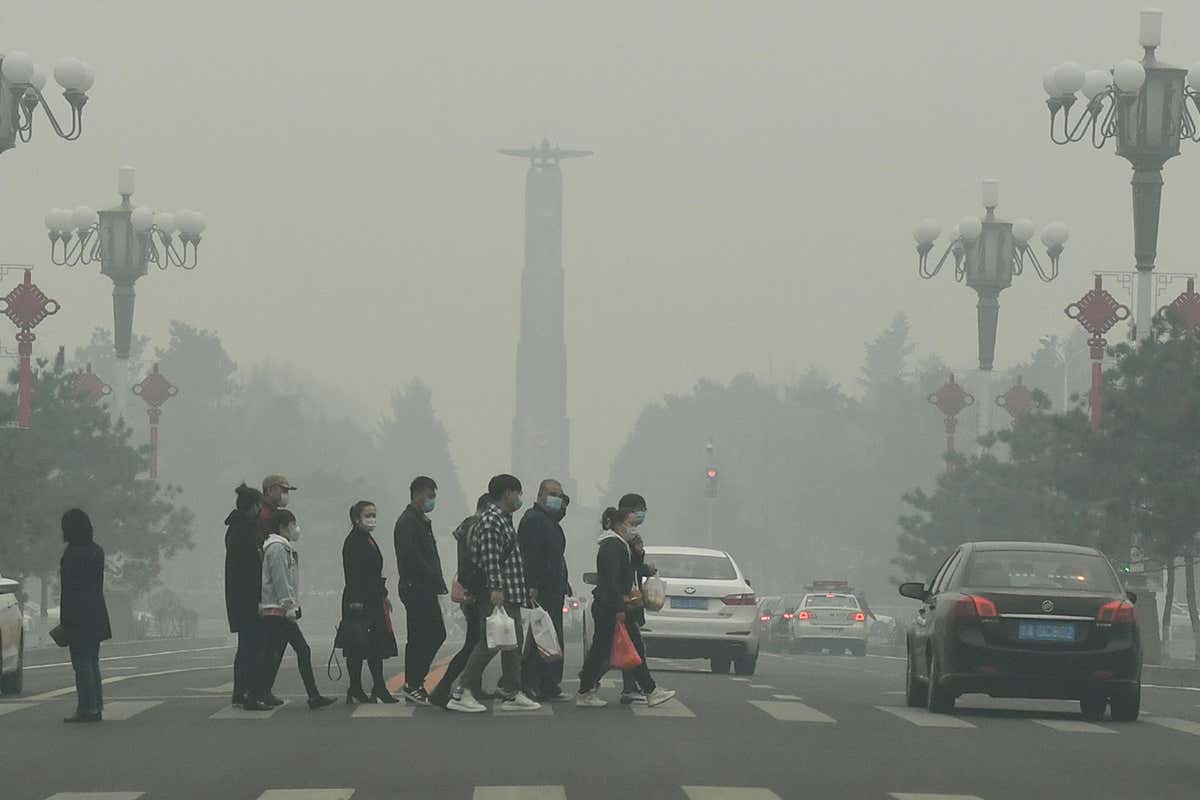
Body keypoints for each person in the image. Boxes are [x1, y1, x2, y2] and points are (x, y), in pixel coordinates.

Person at [448, 474, 541, 713]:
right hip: (499, 593)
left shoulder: (503, 519)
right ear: (507, 493)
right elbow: (490, 559)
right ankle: (462, 691)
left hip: (511, 592)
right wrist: (496, 589)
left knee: (512, 643)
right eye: (518, 493)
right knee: (490, 643)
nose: (520, 498)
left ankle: (512, 691)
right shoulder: (492, 520)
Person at [576, 506, 675, 708]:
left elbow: (628, 571)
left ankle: (650, 689)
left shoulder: (620, 544)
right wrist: (619, 607)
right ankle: (587, 690)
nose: (633, 529)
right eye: (630, 524)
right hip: (611, 606)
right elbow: (612, 580)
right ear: (619, 525)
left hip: (615, 605)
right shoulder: (612, 545)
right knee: (602, 651)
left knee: (625, 648)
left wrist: (638, 553)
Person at [245, 509, 335, 711]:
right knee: (297, 651)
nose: (296, 528)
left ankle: (261, 694)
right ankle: (309, 696)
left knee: (273, 653)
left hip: (279, 610)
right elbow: (280, 579)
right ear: (283, 527)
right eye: (293, 524)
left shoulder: (282, 548)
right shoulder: (277, 548)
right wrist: (288, 605)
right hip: (278, 611)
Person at [430, 493, 494, 709]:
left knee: (476, 642)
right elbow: (476, 562)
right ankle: (443, 687)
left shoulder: (466, 526)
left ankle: (473, 687)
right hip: (475, 592)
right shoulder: (477, 526)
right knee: (474, 644)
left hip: (468, 591)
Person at [393, 475, 448, 705]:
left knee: (432, 634)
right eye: (429, 496)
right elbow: (411, 557)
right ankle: (413, 684)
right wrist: (431, 576)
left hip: (425, 586)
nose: (432, 501)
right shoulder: (408, 521)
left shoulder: (420, 520)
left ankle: (415, 682)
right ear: (417, 494)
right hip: (416, 587)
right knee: (422, 636)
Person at [340, 501, 399, 704]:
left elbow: (375, 573)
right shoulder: (354, 541)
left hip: (373, 599)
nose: (372, 519)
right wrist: (356, 602)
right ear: (357, 519)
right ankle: (356, 688)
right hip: (359, 601)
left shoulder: (367, 539)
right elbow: (354, 574)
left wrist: (383, 595)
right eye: (368, 515)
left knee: (375, 645)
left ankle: (378, 687)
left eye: (374, 514)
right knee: (357, 644)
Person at [518, 478, 571, 701]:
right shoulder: (533, 520)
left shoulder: (549, 521)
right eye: (553, 494)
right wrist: (532, 585)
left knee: (551, 637)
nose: (557, 498)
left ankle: (549, 684)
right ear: (540, 495)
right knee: (539, 638)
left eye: (560, 495)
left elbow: (555, 557)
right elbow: (531, 557)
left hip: (553, 589)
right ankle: (530, 684)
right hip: (540, 590)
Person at [59, 509, 111, 723]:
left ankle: (86, 708)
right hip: (96, 611)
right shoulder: (97, 551)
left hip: (77, 614)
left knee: (80, 662)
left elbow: (69, 590)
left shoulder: (72, 554)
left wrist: (65, 620)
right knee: (92, 660)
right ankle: (96, 705)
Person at [224, 483, 265, 707]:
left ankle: (241, 693)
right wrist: (258, 600)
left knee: (246, 648)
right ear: (253, 506)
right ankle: (249, 694)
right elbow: (249, 572)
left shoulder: (236, 528)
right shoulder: (244, 531)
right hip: (248, 600)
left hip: (240, 599)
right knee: (252, 649)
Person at [618, 493, 655, 705]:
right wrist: (643, 566)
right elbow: (626, 568)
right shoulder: (623, 536)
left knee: (628, 645)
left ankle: (634, 687)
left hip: (630, 598)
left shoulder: (630, 535)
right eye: (640, 509)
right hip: (625, 599)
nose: (642, 514)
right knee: (628, 646)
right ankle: (636, 688)